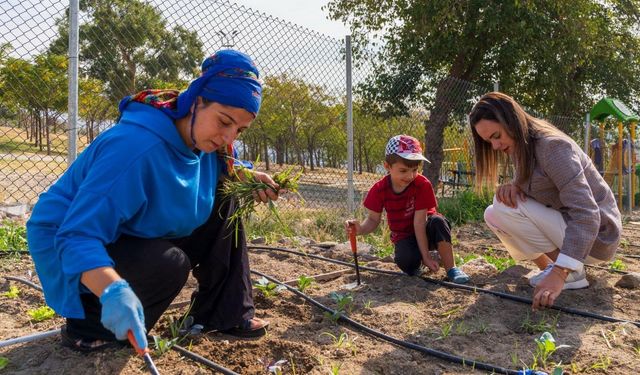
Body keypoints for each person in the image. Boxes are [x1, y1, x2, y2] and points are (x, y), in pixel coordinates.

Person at [26, 49, 277, 352]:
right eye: (224, 121)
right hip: (68, 240)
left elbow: (225, 169)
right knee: (168, 264)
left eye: (239, 129)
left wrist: (249, 178)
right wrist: (113, 290)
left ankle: (221, 313)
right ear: (196, 101)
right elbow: (75, 236)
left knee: (226, 200)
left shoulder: (209, 145)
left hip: (124, 232)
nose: (228, 137)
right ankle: (90, 326)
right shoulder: (134, 149)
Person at [468, 92, 622, 311]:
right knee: (493, 213)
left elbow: (587, 213)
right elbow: (542, 185)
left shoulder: (552, 147)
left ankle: (568, 272)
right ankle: (551, 267)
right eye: (488, 141)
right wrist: (516, 186)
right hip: (574, 232)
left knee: (503, 207)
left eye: (496, 135)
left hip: (597, 237)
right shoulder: (522, 146)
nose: (494, 146)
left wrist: (560, 274)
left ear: (512, 121)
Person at [345, 135, 471, 284]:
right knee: (406, 261)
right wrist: (359, 229)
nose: (410, 176)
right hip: (404, 235)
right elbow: (373, 220)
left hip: (427, 229)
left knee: (438, 221)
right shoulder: (379, 189)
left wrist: (426, 255)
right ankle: (418, 264)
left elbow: (420, 223)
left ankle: (452, 269)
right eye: (403, 170)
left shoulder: (422, 184)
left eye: (414, 170)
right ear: (387, 167)